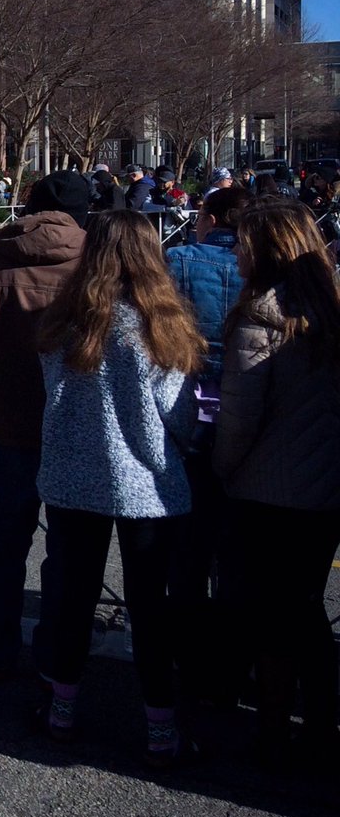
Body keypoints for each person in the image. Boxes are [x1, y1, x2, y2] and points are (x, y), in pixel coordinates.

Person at [32, 211, 202, 766]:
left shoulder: (65, 322)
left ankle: (61, 708)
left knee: (73, 598)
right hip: (145, 486)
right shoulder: (156, 327)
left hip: (71, 479)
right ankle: (158, 727)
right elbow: (178, 417)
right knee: (149, 606)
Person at [215, 199, 340, 761]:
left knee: (271, 614)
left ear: (266, 250)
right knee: (308, 608)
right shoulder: (331, 308)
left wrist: (220, 471)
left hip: (268, 487)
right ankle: (319, 722)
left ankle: (271, 728)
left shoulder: (260, 317)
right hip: (325, 486)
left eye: (243, 242)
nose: (235, 250)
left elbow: (239, 419)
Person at [0, 170, 88, 678]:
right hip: (77, 427)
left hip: (10, 423)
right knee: (68, 555)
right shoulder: (98, 263)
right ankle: (59, 657)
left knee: (4, 544)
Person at [163, 184, 250, 703]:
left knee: (187, 548)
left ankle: (185, 653)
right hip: (246, 407)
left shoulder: (178, 260)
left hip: (189, 403)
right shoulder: (259, 263)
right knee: (237, 549)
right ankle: (233, 660)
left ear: (210, 217)